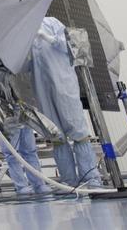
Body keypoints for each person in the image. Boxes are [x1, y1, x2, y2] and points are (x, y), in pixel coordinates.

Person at [30, 16, 102, 187]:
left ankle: (91, 180)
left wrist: (49, 38)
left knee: (78, 132)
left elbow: (71, 47)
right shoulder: (22, 31)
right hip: (42, 89)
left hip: (64, 83)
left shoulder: (51, 23)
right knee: (56, 136)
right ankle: (68, 182)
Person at [0, 125, 49, 195]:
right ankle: (21, 186)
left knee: (30, 151)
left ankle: (39, 184)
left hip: (24, 119)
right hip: (8, 120)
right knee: (11, 153)